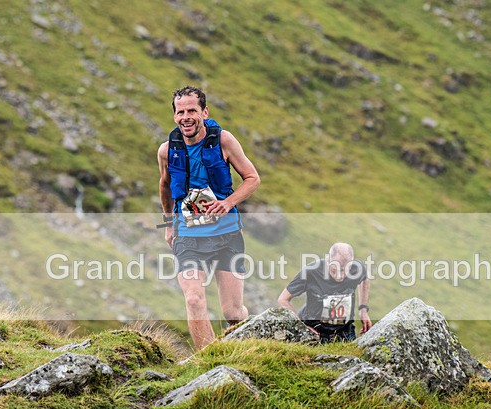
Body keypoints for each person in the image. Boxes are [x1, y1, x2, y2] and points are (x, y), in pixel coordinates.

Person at [157, 86, 261, 350]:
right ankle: (209, 361)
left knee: (233, 313)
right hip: (188, 236)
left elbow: (252, 178)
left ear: (204, 112)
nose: (186, 117)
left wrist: (228, 203)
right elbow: (166, 186)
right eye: (180, 112)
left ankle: (248, 347)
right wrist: (169, 223)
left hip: (227, 235)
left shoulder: (223, 140)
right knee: (193, 299)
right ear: (174, 116)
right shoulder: (167, 151)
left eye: (192, 110)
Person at [278, 243, 372, 343]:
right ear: (328, 260)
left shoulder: (356, 268)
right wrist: (302, 327)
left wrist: (363, 310)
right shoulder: (311, 272)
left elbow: (365, 279)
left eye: (344, 270)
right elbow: (283, 299)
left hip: (345, 332)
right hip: (315, 331)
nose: (340, 276)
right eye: (335, 270)